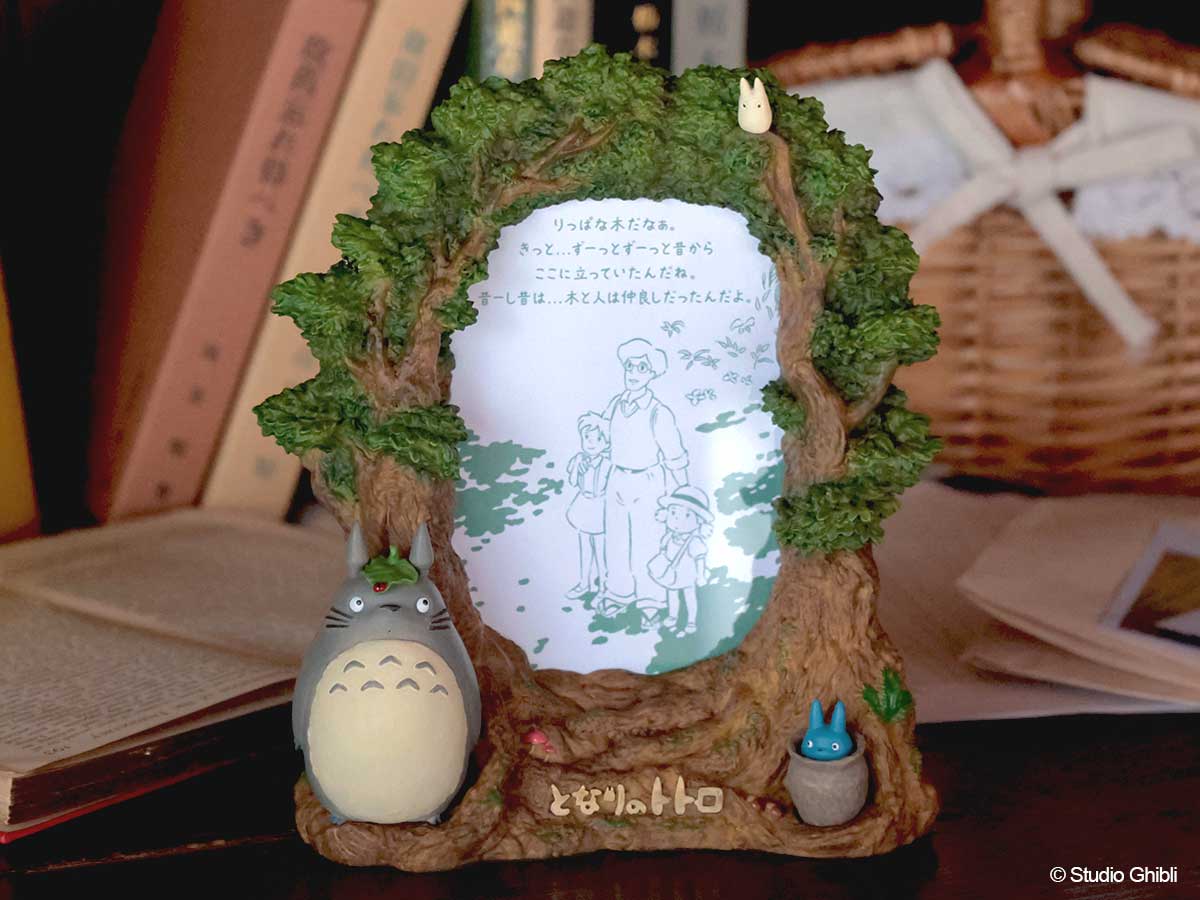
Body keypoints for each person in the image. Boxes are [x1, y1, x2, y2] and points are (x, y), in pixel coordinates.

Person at [596, 338, 689, 617]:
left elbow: (674, 454)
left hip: (648, 481)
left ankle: (651, 600)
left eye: (641, 368)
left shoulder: (658, 411)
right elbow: (604, 437)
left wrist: (683, 492)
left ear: (652, 373)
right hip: (617, 479)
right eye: (630, 367)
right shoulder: (616, 404)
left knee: (647, 540)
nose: (634, 374)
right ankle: (618, 592)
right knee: (616, 538)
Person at [647, 486, 713, 636]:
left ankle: (691, 621)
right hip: (672, 573)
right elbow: (663, 549)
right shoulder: (669, 536)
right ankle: (673, 616)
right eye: (673, 512)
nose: (677, 519)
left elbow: (700, 559)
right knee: (672, 594)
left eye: (687, 515)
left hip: (687, 573)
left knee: (689, 596)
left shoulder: (694, 541)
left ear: (698, 521)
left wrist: (700, 576)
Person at [564, 412, 612, 600]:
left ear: (606, 442)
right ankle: (585, 583)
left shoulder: (608, 463)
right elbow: (572, 481)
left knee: (600, 549)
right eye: (587, 438)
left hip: (600, 506)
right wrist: (578, 468)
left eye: (597, 439)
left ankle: (604, 586)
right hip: (584, 504)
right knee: (584, 547)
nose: (591, 443)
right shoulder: (579, 459)